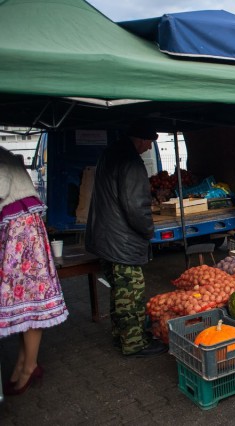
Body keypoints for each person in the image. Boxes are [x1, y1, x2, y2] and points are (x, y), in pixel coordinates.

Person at [85, 121, 167, 358]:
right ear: (140, 140)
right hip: (121, 241)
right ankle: (134, 344)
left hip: (106, 236)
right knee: (131, 294)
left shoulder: (111, 153)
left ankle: (120, 336)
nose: (149, 147)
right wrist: (148, 230)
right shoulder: (131, 162)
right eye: (149, 142)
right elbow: (135, 206)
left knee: (119, 293)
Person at [0, 146, 69, 396]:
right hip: (20, 229)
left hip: (21, 232)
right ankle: (23, 363)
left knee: (29, 301)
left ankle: (28, 366)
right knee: (24, 302)